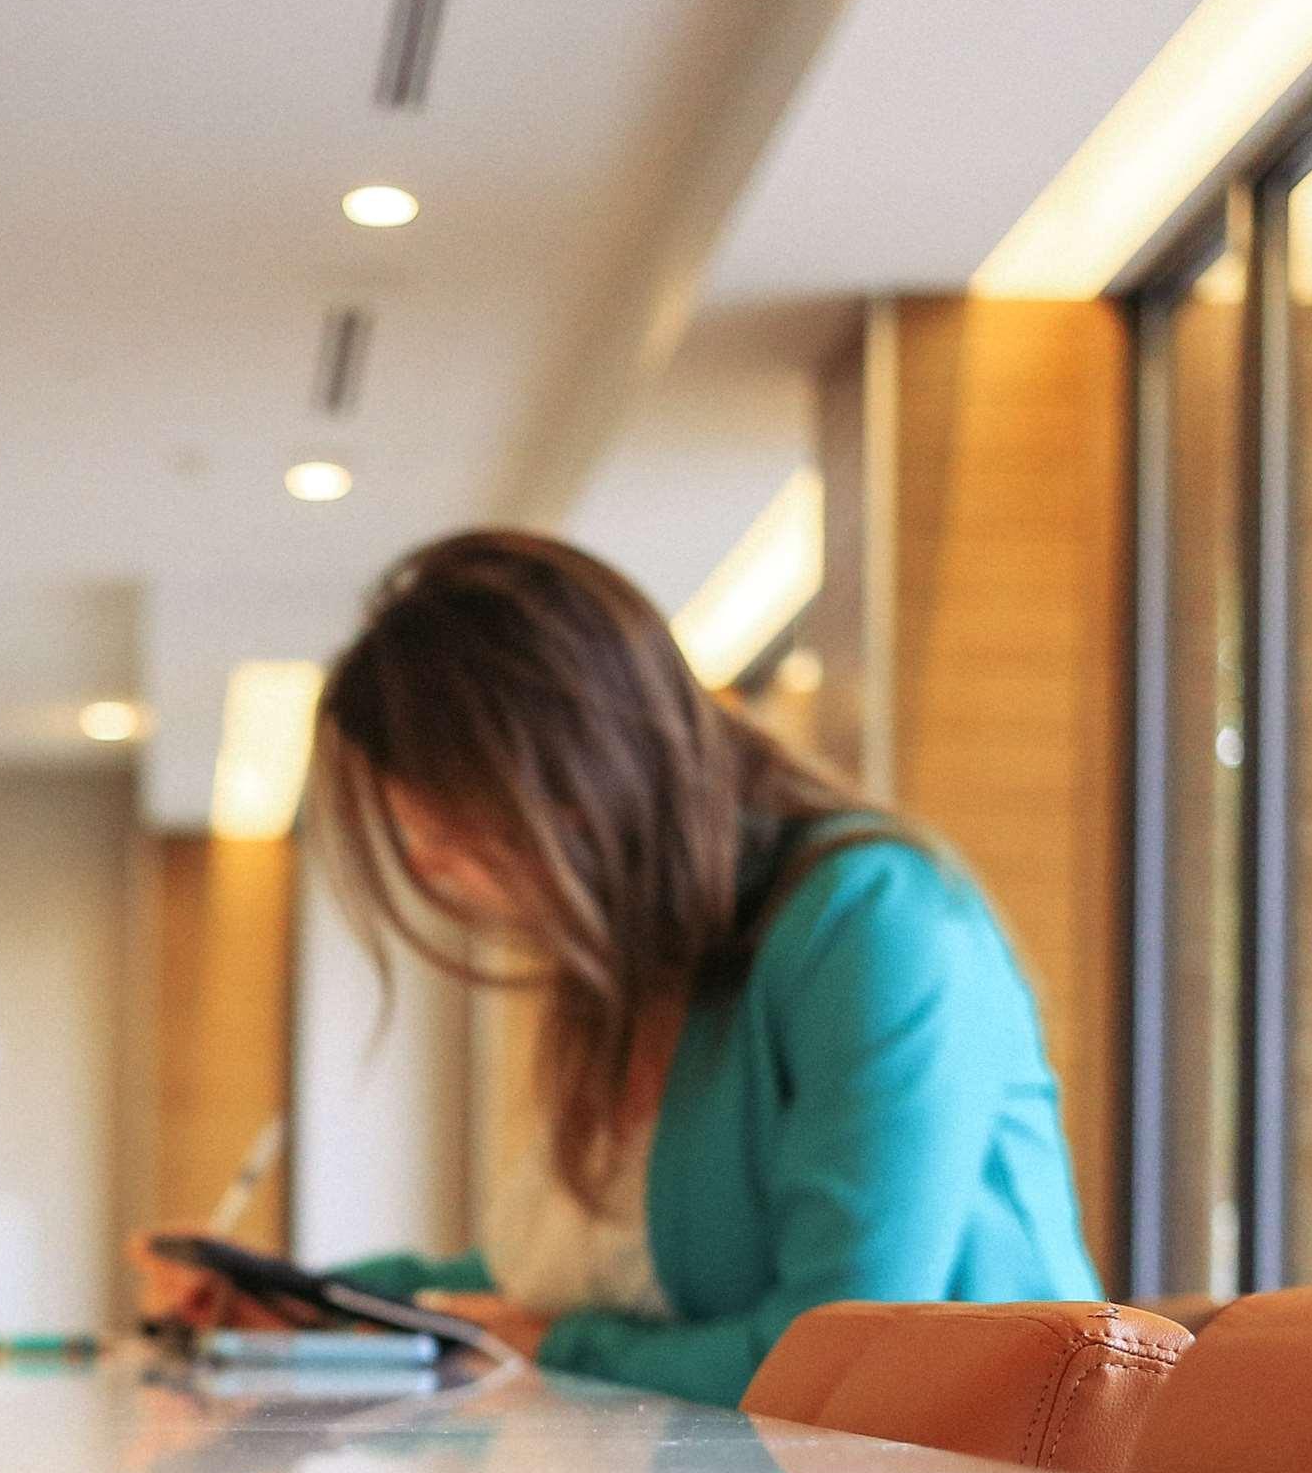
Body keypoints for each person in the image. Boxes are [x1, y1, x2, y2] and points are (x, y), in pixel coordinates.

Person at [144, 530, 1096, 1406]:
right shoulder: (634, 971)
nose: (436, 869)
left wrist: (555, 1344)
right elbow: (540, 1286)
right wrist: (306, 1300)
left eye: (451, 832)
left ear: (578, 785)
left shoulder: (872, 924)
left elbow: (836, 1360)